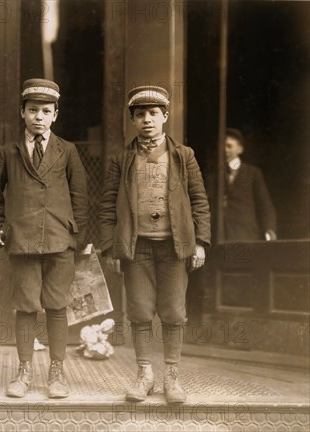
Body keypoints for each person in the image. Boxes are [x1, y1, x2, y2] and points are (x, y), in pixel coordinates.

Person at [99, 86, 211, 404]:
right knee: (139, 311)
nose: (146, 120)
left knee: (174, 311)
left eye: (152, 114)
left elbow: (200, 200)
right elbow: (107, 206)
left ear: (165, 116)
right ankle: (145, 374)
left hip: (174, 247)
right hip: (137, 248)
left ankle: (171, 376)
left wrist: (201, 242)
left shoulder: (183, 155)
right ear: (133, 120)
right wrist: (111, 247)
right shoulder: (122, 159)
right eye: (139, 115)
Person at [0, 79, 88, 399]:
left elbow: (80, 197)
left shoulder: (67, 151)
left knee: (57, 306)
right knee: (26, 306)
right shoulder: (8, 152)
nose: (38, 117)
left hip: (59, 240)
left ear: (55, 114)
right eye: (32, 110)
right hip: (23, 240)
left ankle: (56, 373)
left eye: (45, 111)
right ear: (22, 112)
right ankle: (24, 370)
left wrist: (77, 236)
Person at [221, 128, 277, 241]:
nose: (225, 150)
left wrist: (269, 229)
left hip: (245, 236)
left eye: (229, 146)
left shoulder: (253, 173)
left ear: (240, 149)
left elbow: (264, 204)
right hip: (221, 237)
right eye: (222, 146)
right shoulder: (214, 175)